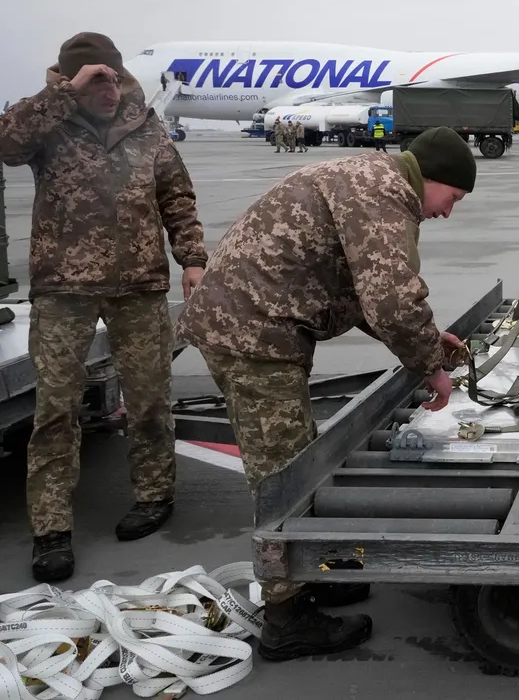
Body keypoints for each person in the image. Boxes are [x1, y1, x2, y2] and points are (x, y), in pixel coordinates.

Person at [175, 126, 474, 660]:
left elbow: (362, 295)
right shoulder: (382, 192)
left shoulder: (370, 178)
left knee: (297, 457)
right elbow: (390, 296)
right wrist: (431, 363)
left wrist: (431, 343)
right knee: (282, 474)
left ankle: (314, 576)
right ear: (433, 179)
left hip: (253, 324)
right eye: (453, 198)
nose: (448, 212)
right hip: (252, 333)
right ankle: (287, 617)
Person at [0, 32, 207, 583]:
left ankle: (155, 496)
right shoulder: (46, 122)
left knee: (151, 399)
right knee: (56, 410)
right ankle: (52, 528)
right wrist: (63, 94)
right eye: (96, 80)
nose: (110, 89)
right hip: (64, 290)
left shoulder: (145, 124)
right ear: (73, 82)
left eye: (114, 77)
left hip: (139, 285)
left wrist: (193, 259)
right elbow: (0, 144)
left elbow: (175, 193)